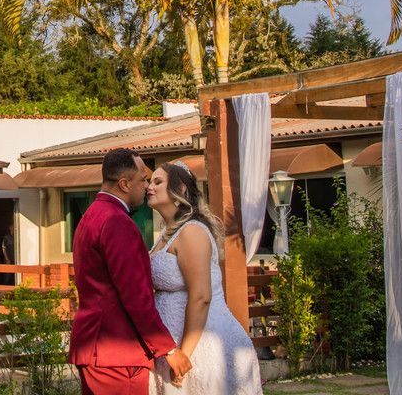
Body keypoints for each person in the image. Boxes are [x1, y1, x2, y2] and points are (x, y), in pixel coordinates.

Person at [69, 148, 192, 395]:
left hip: (96, 347)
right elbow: (135, 297)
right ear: (124, 184)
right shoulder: (117, 222)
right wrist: (167, 349)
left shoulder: (91, 215)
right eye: (143, 180)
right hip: (116, 351)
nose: (146, 186)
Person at [147, 161, 263, 395]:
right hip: (172, 343)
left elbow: (201, 296)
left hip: (202, 342)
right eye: (150, 181)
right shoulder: (164, 235)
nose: (149, 186)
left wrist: (185, 354)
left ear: (179, 191)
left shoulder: (192, 231)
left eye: (157, 182)